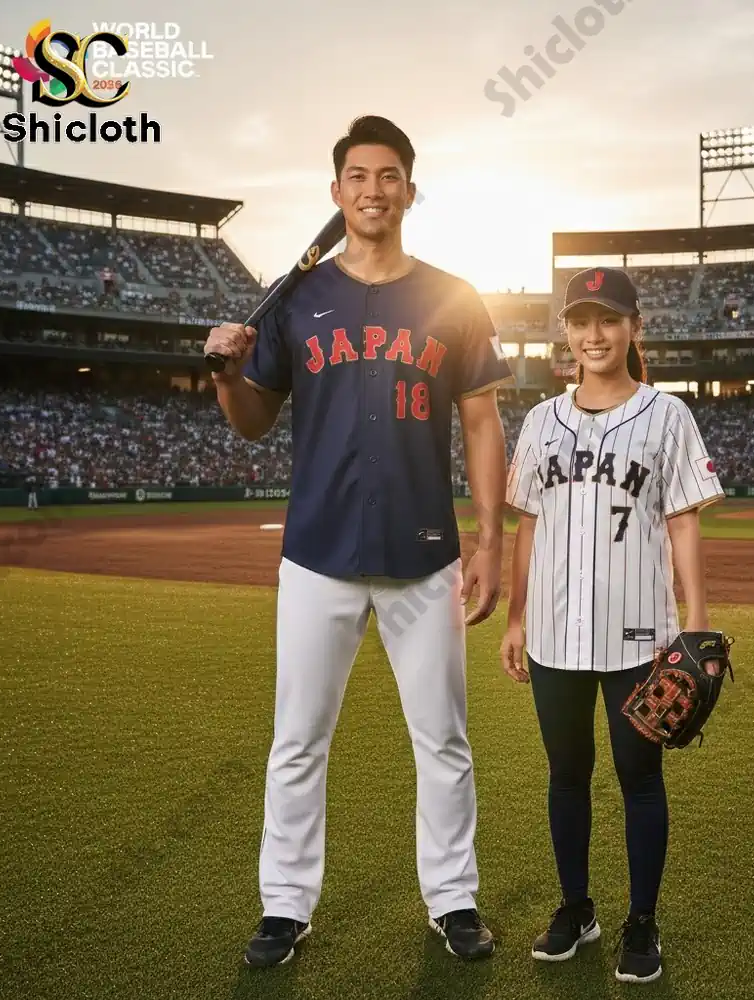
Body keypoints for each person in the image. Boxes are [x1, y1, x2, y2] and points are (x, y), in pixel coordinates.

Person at [204, 116, 514, 968]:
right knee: (298, 738)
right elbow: (253, 421)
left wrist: (492, 540)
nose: (373, 190)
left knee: (443, 738)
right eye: (357, 177)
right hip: (316, 553)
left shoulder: (453, 296)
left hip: (424, 555)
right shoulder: (295, 298)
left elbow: (483, 424)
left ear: (410, 190)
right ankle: (284, 906)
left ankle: (454, 900)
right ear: (336, 192)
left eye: (388, 176)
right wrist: (228, 372)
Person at [500, 267, 725, 984]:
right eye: (580, 320)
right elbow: (527, 528)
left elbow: (683, 523)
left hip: (640, 633)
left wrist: (697, 620)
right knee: (566, 776)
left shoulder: (668, 415)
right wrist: (513, 617)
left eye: (608, 319)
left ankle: (642, 921)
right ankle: (576, 909)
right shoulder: (541, 421)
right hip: (555, 636)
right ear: (565, 330)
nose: (592, 334)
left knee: (639, 775)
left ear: (633, 328)